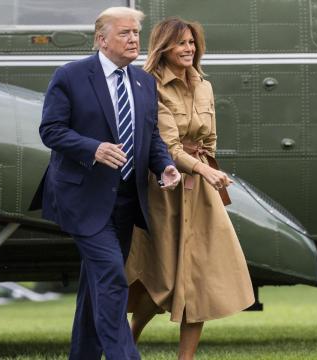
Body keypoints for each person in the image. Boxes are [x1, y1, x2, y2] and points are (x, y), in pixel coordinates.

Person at [35, 7, 181, 360]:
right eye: (125, 33)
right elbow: (50, 130)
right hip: (83, 199)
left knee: (95, 286)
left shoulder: (145, 81)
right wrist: (93, 148)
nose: (134, 40)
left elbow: (151, 136)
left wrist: (165, 167)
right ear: (101, 39)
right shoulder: (70, 76)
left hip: (128, 201)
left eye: (136, 33)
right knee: (113, 279)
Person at [125, 18, 255, 359]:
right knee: (161, 279)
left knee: (202, 280)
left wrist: (208, 170)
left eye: (192, 43)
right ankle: (127, 341)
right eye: (181, 43)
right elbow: (168, 147)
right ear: (164, 47)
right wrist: (201, 169)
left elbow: (208, 140)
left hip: (201, 191)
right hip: (165, 190)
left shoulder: (204, 85)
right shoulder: (149, 85)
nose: (189, 49)